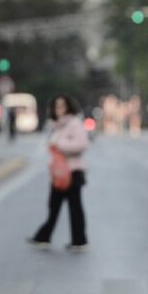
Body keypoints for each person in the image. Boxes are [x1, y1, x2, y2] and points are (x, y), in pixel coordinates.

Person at [28, 95, 91, 252]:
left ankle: (79, 241)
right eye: (56, 106)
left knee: (74, 208)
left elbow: (82, 144)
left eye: (62, 106)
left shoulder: (74, 123)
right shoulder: (56, 126)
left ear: (69, 107)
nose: (59, 109)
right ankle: (44, 237)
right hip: (59, 173)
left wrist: (60, 144)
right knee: (54, 206)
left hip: (73, 171)